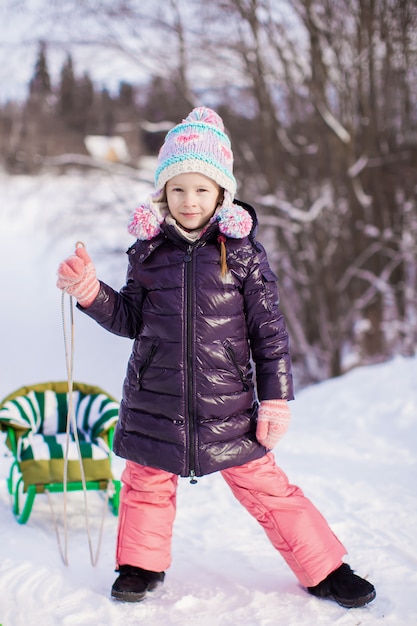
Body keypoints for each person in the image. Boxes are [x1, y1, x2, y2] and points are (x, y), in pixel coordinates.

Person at [57, 107, 376, 609]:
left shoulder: (243, 253)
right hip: (154, 401)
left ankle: (327, 569)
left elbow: (269, 333)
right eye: (178, 189)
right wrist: (91, 292)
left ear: (221, 194)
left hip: (228, 406)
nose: (189, 201)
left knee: (269, 490)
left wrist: (275, 400)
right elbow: (130, 320)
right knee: (145, 485)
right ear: (163, 193)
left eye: (201, 189)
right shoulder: (147, 253)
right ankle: (140, 566)